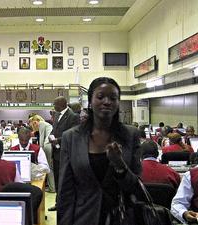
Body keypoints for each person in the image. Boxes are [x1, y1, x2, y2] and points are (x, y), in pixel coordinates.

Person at [57, 77, 142, 225]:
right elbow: (66, 191)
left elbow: (137, 188)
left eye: (113, 98)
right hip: (83, 217)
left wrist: (120, 167)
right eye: (101, 97)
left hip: (120, 217)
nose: (107, 101)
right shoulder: (71, 137)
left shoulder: (131, 135)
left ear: (117, 103)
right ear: (90, 101)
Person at [49, 96, 79, 211]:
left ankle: (66, 204)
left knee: (65, 180)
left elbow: (74, 134)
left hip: (66, 153)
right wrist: (51, 136)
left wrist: (59, 140)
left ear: (62, 104)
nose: (54, 106)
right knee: (57, 179)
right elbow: (54, 130)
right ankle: (58, 203)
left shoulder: (73, 116)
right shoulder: (56, 115)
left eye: (55, 104)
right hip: (56, 153)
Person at [29, 115, 55, 192]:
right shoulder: (46, 124)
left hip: (48, 146)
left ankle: (52, 188)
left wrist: (39, 150)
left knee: (48, 167)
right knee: (51, 167)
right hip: (50, 145)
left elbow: (41, 140)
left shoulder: (42, 124)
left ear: (35, 122)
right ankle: (52, 186)